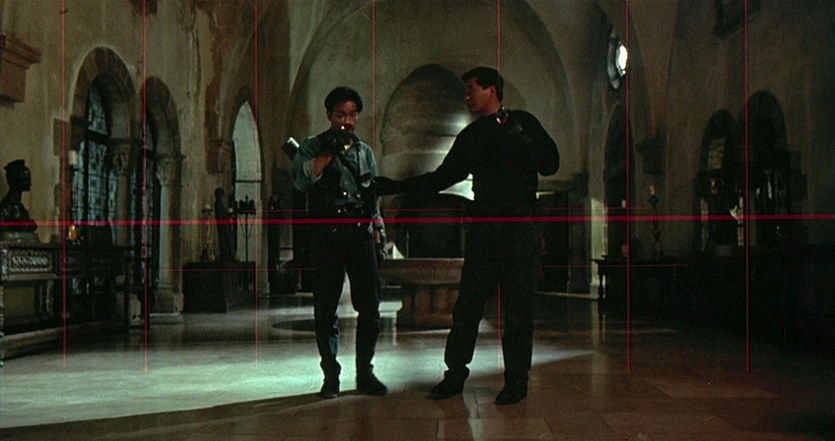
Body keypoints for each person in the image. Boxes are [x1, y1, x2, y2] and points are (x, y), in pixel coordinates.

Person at [375, 67, 559, 405]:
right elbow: (441, 178)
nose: (467, 96)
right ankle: (454, 376)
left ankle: (516, 381)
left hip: (520, 228)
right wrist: (395, 186)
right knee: (468, 306)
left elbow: (551, 164)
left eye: (472, 89)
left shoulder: (524, 123)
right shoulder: (472, 136)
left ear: (492, 91)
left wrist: (522, 140)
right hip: (485, 229)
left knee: (518, 310)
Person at [291, 86, 388, 399]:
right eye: (340, 115)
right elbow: (300, 179)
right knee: (325, 309)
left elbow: (372, 196)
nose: (346, 121)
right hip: (327, 235)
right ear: (329, 115)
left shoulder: (364, 152)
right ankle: (330, 375)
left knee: (370, 307)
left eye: (351, 115)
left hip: (359, 234)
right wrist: (327, 154)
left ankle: (365, 373)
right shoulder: (312, 146)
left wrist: (378, 231)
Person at [0, 159, 37, 233]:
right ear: (15, 180)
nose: (30, 184)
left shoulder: (23, 211)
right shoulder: (4, 210)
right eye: (26, 180)